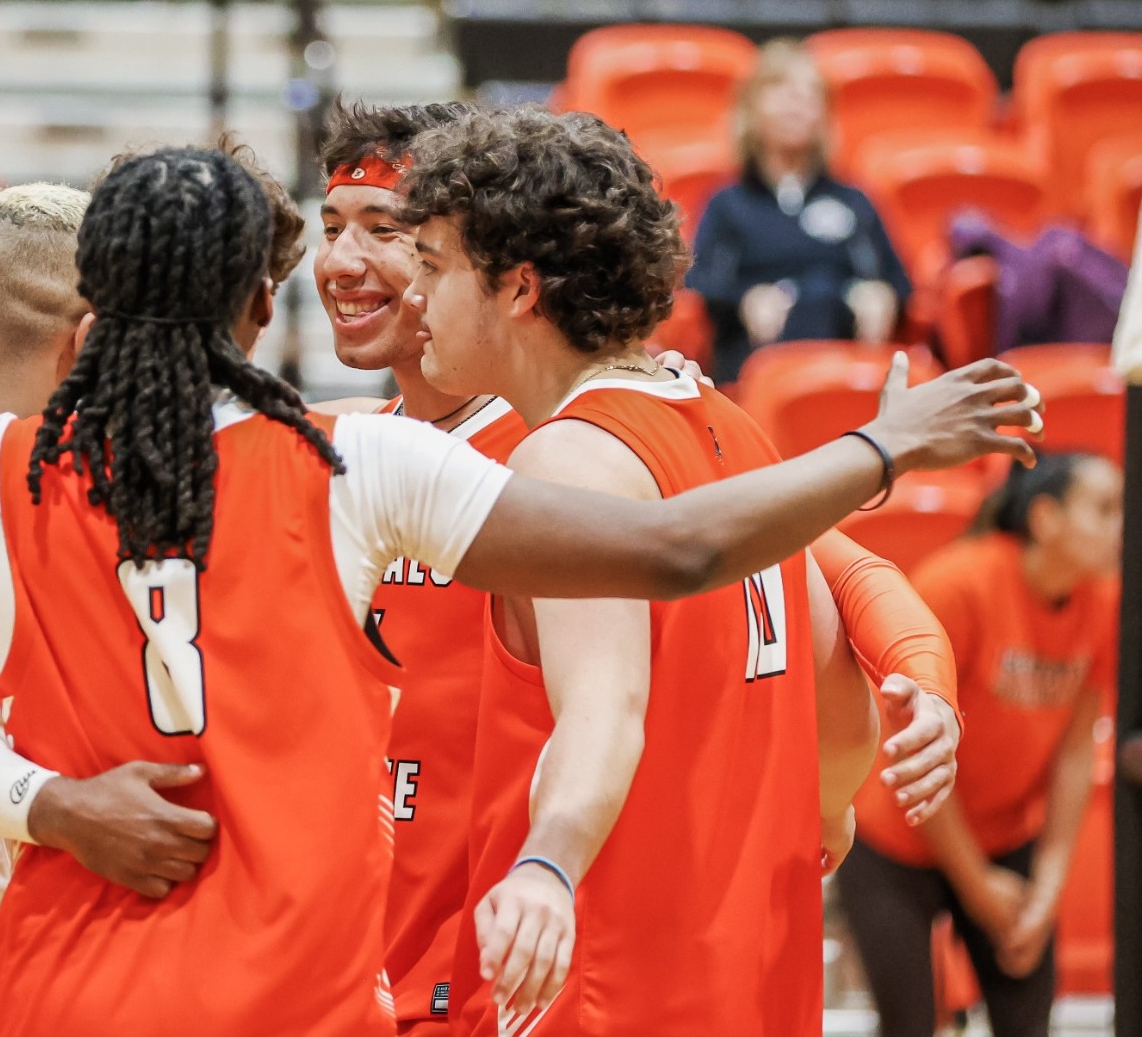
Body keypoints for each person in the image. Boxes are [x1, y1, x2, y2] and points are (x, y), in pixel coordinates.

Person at [0, 145, 1039, 1037]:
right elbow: (680, 550)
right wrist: (882, 445)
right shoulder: (362, 464)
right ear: (258, 296)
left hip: (60, 988)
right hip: (296, 999)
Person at [313, 101, 963, 1034]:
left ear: (508, 276)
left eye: (399, 238)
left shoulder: (574, 451)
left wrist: (547, 864)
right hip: (418, 948)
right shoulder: (341, 444)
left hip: (541, 949)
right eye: (331, 228)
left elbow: (835, 583)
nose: (352, 264)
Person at [836, 452, 1122, 1037]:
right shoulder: (959, 584)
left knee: (1028, 1018)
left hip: (1005, 836)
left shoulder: (1102, 603)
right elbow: (914, 749)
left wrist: (1046, 890)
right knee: (910, 1024)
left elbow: (1074, 753)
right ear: (1046, 519)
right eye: (1106, 509)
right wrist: (976, 886)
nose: (1125, 526)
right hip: (897, 834)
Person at [687, 39, 914, 383]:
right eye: (781, 88)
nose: (797, 102)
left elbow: (900, 282)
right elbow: (698, 284)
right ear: (751, 106)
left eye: (811, 92)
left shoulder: (854, 200)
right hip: (759, 366)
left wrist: (882, 295)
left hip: (848, 361)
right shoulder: (727, 203)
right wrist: (745, 299)